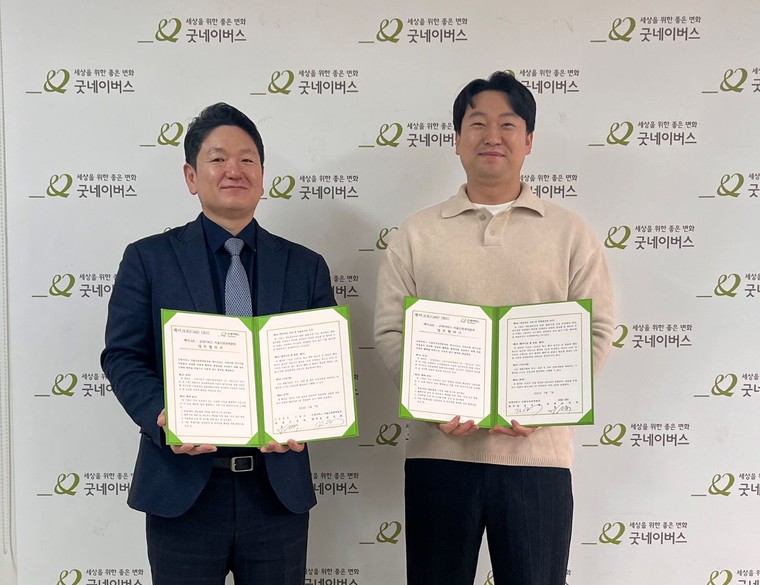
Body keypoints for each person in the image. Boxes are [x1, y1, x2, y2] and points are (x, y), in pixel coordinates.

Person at [374, 72, 615, 585]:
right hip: (439, 455)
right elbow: (392, 331)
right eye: (477, 123)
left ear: (528, 141)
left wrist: (545, 406)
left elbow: (597, 329)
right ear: (457, 140)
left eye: (508, 124)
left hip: (537, 459)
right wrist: (433, 406)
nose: (492, 136)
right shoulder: (417, 233)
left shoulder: (571, 233)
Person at [101, 103, 335, 585]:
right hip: (182, 492)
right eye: (218, 159)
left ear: (263, 177)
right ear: (191, 176)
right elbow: (123, 356)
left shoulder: (306, 266)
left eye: (248, 159)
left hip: (276, 493)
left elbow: (322, 367)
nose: (234, 170)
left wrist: (308, 416)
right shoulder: (148, 259)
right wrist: (163, 415)